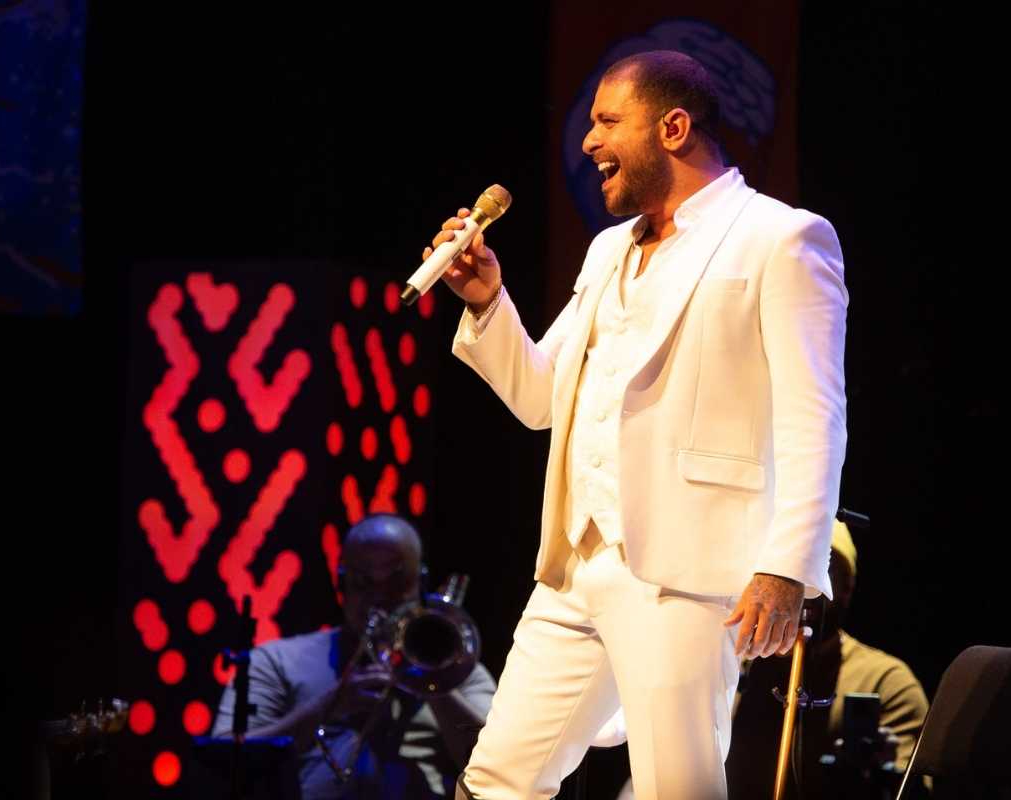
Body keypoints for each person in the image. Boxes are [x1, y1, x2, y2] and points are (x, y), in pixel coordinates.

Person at [427, 50, 848, 800]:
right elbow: (542, 398)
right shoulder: (607, 249)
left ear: (673, 128)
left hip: (688, 573)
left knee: (675, 788)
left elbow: (815, 416)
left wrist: (787, 566)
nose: (589, 141)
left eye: (608, 121)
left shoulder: (779, 238)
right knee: (497, 779)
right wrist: (488, 302)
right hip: (577, 562)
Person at [212, 514, 496, 800]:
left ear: (420, 584)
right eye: (362, 581)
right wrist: (329, 706)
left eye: (397, 581)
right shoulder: (276, 661)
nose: (380, 597)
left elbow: (497, 769)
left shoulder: (457, 668)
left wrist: (433, 683)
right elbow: (223, 764)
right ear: (341, 585)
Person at [726, 521, 930, 799]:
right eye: (789, 572)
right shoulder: (732, 665)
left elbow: (920, 787)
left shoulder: (886, 681)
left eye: (822, 569)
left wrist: (886, 777)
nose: (804, 588)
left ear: (847, 588)